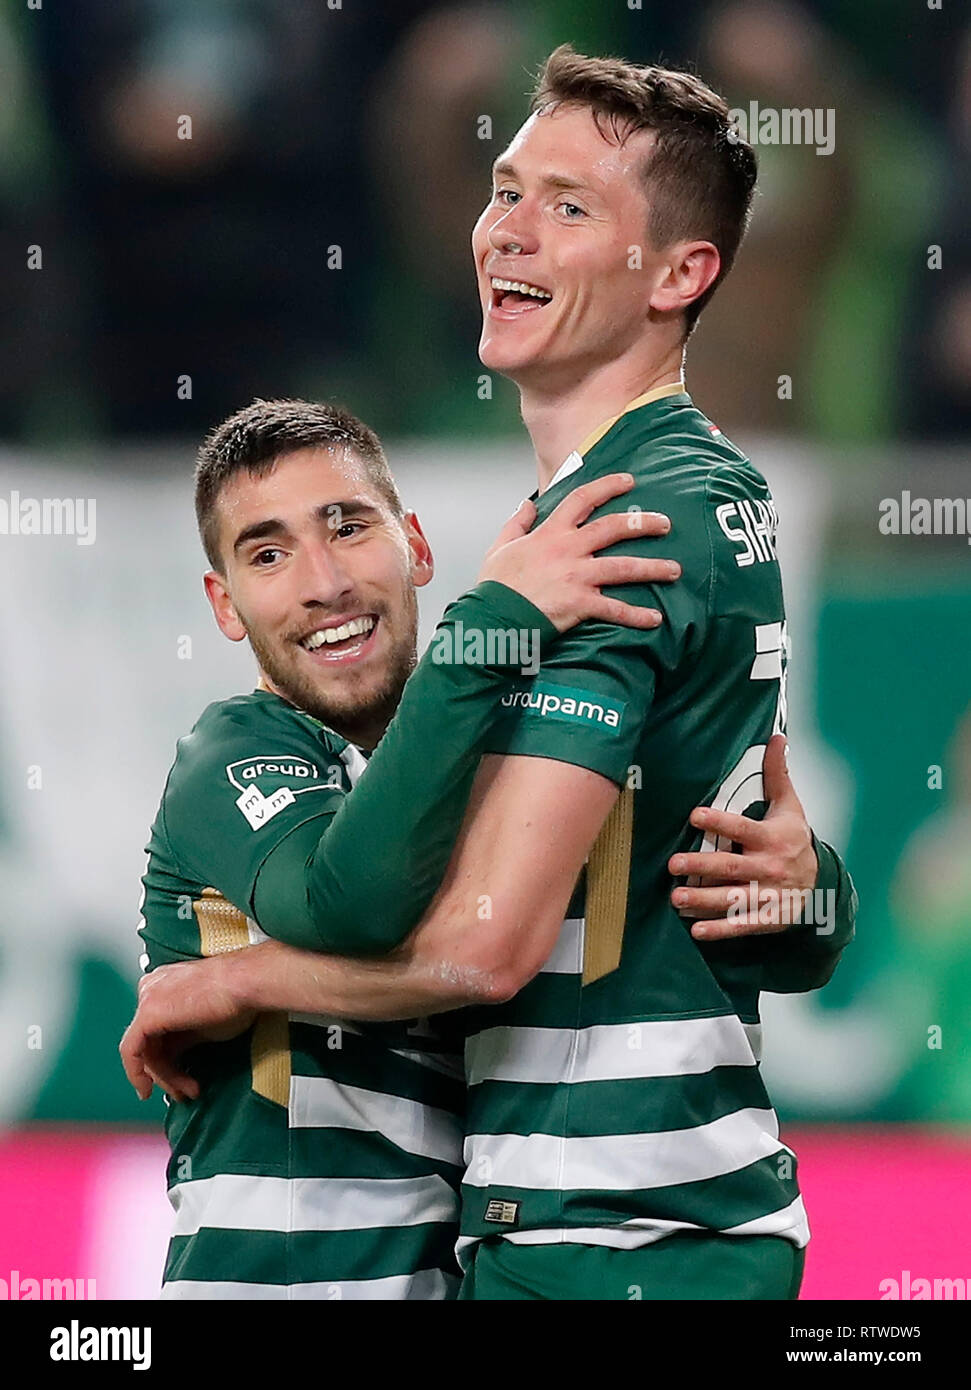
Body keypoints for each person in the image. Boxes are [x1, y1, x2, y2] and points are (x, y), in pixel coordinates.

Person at [124, 47, 858, 1301]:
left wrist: (227, 977)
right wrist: (813, 900)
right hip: (605, 1227)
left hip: (618, 1230)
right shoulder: (597, 520)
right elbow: (701, 847)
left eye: (568, 206)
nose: (508, 231)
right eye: (504, 188)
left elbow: (479, 950)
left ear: (681, 273)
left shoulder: (630, 517)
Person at [132, 397, 682, 1299]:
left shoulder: (494, 757)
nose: (324, 583)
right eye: (267, 555)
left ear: (417, 547)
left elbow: (732, 901)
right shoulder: (229, 753)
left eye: (347, 527)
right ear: (225, 606)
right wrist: (485, 633)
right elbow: (347, 905)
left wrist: (806, 885)